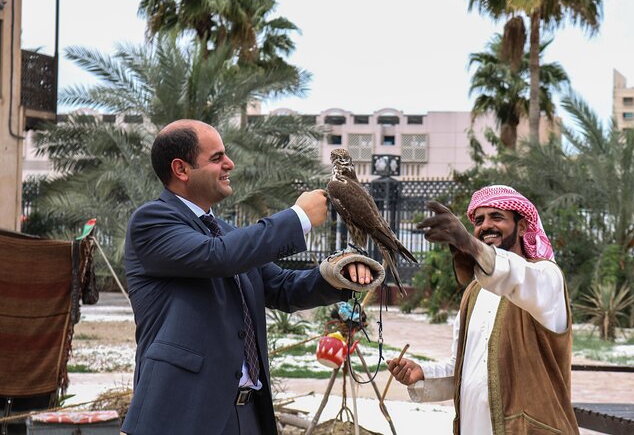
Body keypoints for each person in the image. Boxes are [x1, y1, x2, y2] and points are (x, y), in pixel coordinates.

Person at [121, 119, 382, 435]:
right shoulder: (152, 222)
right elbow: (216, 256)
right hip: (181, 417)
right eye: (217, 158)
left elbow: (284, 289)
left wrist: (338, 274)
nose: (229, 163)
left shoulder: (228, 236)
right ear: (181, 169)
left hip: (247, 416)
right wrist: (297, 218)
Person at [387, 185, 579, 435]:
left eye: (497, 217)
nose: (486, 225)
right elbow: (466, 369)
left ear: (522, 226)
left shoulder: (545, 277)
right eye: (479, 220)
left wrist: (470, 245)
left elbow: (514, 274)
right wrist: (422, 374)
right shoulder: (474, 292)